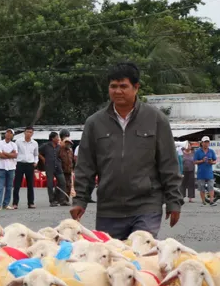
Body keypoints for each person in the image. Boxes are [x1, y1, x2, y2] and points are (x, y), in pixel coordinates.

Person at [71, 62, 182, 238]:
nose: (117, 91)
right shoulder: (94, 123)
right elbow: (85, 166)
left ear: (136, 87)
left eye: (123, 86)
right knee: (113, 261)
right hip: (109, 209)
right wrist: (80, 200)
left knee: (140, 256)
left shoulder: (156, 120)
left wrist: (174, 202)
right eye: (113, 86)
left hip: (146, 205)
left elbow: (169, 164)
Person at [12, 126, 39, 210]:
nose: (28, 134)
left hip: (30, 164)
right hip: (20, 164)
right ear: (24, 132)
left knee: (30, 184)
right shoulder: (18, 141)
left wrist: (35, 162)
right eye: (27, 132)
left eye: (30, 132)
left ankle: (31, 203)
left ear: (32, 133)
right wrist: (15, 162)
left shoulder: (35, 143)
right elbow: (14, 152)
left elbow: (36, 154)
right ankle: (15, 203)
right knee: (17, 184)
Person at [39, 132, 68, 207]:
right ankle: (52, 201)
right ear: (52, 138)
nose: (58, 139)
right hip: (49, 167)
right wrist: (43, 159)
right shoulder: (45, 146)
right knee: (50, 184)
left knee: (63, 182)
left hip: (58, 166)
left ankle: (62, 200)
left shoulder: (59, 146)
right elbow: (37, 152)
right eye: (57, 137)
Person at [0, 129, 17, 211]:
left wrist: (5, 153)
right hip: (2, 167)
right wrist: (10, 154)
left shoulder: (14, 144)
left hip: (11, 167)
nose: (8, 134)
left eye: (11, 133)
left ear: (12, 135)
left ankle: (6, 204)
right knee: (0, 187)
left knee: (9, 187)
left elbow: (15, 155)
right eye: (7, 132)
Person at [193, 137, 217, 206]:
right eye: (205, 142)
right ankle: (203, 201)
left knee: (211, 186)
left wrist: (211, 162)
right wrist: (202, 160)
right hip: (201, 172)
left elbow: (215, 161)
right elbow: (194, 161)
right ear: (202, 143)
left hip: (209, 172)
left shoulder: (211, 151)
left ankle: (211, 201)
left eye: (207, 142)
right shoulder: (198, 151)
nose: (206, 144)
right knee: (201, 188)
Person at [58, 129, 75, 198]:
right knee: (62, 184)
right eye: (65, 136)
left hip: (69, 169)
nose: (66, 137)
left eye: (67, 136)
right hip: (61, 169)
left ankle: (66, 198)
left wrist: (72, 167)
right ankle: (60, 198)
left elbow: (72, 159)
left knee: (69, 184)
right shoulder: (59, 147)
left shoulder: (70, 149)